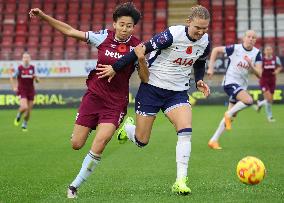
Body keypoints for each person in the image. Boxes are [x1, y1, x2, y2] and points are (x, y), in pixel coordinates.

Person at [29, 2, 149, 199]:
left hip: (115, 103)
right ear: (114, 24)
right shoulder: (102, 37)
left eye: (129, 25)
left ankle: (74, 187)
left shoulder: (137, 47)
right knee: (76, 144)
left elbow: (145, 78)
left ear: (134, 27)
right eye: (122, 24)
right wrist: (43, 16)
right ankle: (116, 128)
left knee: (100, 143)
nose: (125, 28)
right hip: (93, 98)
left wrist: (142, 59)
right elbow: (69, 31)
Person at [97, 5, 211, 195]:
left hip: (177, 92)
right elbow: (140, 50)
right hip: (152, 88)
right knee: (142, 141)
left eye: (205, 28)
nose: (200, 32)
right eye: (197, 28)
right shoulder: (172, 35)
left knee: (185, 131)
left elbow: (200, 61)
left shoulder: (205, 42)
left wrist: (199, 79)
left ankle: (180, 181)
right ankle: (128, 128)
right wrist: (115, 67)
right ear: (188, 22)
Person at [207, 30, 262, 150]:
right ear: (244, 38)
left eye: (253, 37)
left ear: (255, 40)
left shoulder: (257, 53)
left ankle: (213, 140)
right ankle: (228, 114)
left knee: (231, 118)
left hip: (242, 86)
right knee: (248, 100)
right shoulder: (235, 49)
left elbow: (259, 74)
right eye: (249, 36)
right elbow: (216, 50)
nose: (251, 39)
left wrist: (251, 65)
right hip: (230, 82)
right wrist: (211, 68)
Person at [10, 52, 39, 132]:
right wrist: (14, 87)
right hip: (22, 90)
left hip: (31, 90)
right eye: (24, 57)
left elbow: (38, 81)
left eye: (27, 57)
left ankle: (24, 124)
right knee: (24, 107)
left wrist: (36, 78)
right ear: (22, 59)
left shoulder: (33, 68)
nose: (26, 59)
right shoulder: (19, 68)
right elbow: (12, 78)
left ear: (30, 59)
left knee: (29, 111)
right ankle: (18, 115)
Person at [254, 45, 282, 122]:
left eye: (270, 49)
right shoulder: (262, 60)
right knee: (268, 99)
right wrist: (259, 71)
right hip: (264, 80)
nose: (268, 51)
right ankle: (270, 117)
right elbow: (257, 68)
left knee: (270, 100)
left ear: (272, 51)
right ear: (264, 51)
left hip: (272, 80)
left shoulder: (276, 58)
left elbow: (280, 67)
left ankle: (259, 104)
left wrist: (277, 71)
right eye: (267, 49)